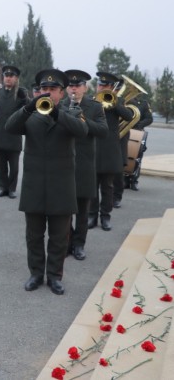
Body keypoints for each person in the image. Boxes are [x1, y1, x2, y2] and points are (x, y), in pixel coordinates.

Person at [6, 69, 88, 295]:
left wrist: (56, 115)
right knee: (33, 235)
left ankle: (54, 276)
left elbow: (82, 131)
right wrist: (28, 107)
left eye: (52, 90)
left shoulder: (73, 111)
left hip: (61, 185)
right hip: (34, 184)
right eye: (44, 89)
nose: (47, 93)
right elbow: (9, 127)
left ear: (61, 93)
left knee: (59, 236)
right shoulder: (31, 114)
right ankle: (35, 273)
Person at [62, 70, 108, 261]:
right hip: (63, 164)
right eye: (71, 85)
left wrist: (82, 119)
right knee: (64, 210)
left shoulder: (95, 107)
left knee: (82, 210)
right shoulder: (59, 105)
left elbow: (103, 131)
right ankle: (67, 242)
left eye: (78, 85)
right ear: (66, 88)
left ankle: (79, 244)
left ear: (85, 87)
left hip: (85, 165)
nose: (74, 88)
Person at [88, 72, 133, 231]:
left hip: (110, 151)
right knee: (92, 187)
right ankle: (92, 215)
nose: (101, 88)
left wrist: (114, 103)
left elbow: (129, 116)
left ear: (111, 88)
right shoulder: (91, 101)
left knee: (107, 187)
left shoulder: (117, 101)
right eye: (100, 85)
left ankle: (105, 216)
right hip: (93, 149)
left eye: (105, 86)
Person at [0, 65, 28, 199]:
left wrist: (24, 98)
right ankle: (3, 188)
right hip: (0, 134)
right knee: (1, 165)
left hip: (14, 134)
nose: (8, 78)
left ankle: (12, 188)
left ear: (16, 78)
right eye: (6, 76)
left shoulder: (20, 93)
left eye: (11, 76)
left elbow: (27, 106)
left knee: (14, 166)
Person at [123, 95, 153, 191]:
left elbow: (149, 119)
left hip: (137, 133)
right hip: (123, 132)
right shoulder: (122, 101)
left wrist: (138, 125)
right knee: (122, 156)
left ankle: (134, 181)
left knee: (137, 157)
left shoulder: (143, 104)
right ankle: (123, 180)